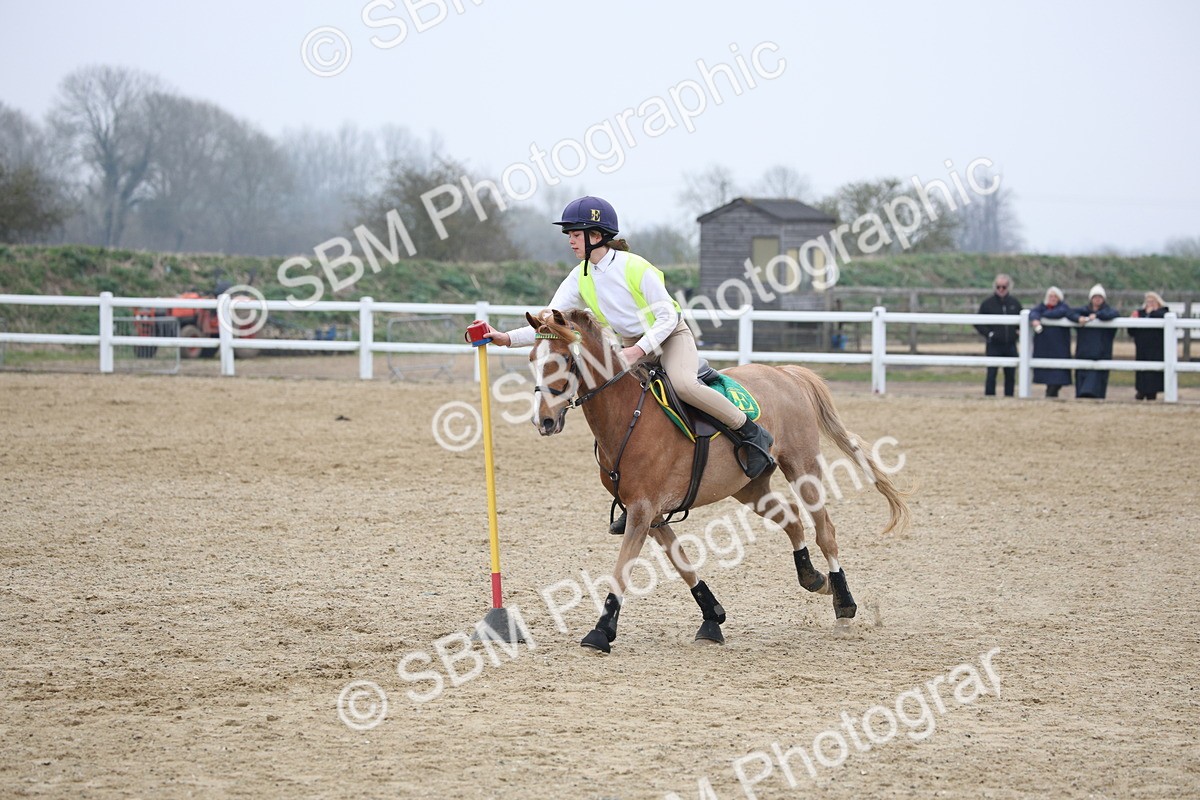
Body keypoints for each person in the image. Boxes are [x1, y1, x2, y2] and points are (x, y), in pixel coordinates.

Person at [473, 196, 775, 532]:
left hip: (670, 336)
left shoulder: (635, 267)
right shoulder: (579, 276)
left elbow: (667, 316)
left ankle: (751, 432)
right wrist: (506, 338)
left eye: (575, 234)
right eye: (569, 235)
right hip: (631, 346)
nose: (570, 240)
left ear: (596, 235)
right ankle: (635, 493)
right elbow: (550, 322)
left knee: (684, 384)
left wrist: (638, 350)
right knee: (618, 405)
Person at [974, 273, 1022, 396]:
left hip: (1010, 344)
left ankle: (1009, 397)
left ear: (1009, 287)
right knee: (991, 374)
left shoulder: (1015, 303)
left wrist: (1017, 333)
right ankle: (989, 397)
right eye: (998, 286)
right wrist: (989, 334)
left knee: (1010, 374)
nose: (1001, 289)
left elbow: (1022, 321)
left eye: (1003, 287)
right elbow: (978, 322)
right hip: (994, 345)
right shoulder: (987, 303)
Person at [1071, 283, 1119, 399]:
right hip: (1084, 351)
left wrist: (1096, 315)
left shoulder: (1108, 311)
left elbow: (1113, 314)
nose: (1097, 299)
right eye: (1095, 297)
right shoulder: (1083, 311)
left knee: (1098, 384)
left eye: (1100, 297)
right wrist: (1079, 319)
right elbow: (1069, 313)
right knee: (1081, 383)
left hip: (1101, 352)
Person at [1029, 286, 1072, 397]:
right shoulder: (1041, 307)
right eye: (1050, 296)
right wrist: (1036, 319)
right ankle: (1051, 395)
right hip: (1045, 347)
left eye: (1055, 296)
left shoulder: (1063, 308)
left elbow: (1058, 313)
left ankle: (1051, 394)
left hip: (1059, 347)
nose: (1052, 298)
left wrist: (1042, 317)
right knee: (1049, 376)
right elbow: (1032, 313)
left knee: (1058, 376)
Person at [1129, 291, 1168, 401]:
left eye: (1152, 301)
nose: (1150, 304)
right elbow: (1131, 331)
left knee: (1153, 373)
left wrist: (1152, 313)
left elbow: (1162, 317)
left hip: (1156, 348)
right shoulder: (1140, 313)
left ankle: (1152, 393)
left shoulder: (1163, 312)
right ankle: (1140, 391)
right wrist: (1133, 319)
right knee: (1141, 371)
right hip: (1142, 347)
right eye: (1148, 301)